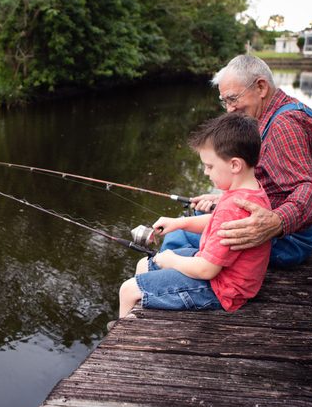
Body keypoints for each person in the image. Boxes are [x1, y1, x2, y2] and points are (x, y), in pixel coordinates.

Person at [161, 55, 312, 268]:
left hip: (290, 242)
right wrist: (227, 198)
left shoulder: (284, 125)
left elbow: (310, 188)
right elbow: (274, 182)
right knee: (203, 213)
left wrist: (275, 222)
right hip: (287, 230)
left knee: (179, 234)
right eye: (225, 101)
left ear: (261, 87)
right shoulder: (277, 112)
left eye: (233, 99)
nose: (229, 109)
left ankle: (172, 286)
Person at [116, 112, 271, 320]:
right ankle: (149, 301)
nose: (206, 172)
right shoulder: (249, 193)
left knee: (127, 291)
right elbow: (218, 224)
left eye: (209, 166)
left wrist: (171, 260)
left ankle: (122, 340)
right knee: (144, 264)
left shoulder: (233, 206)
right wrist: (180, 223)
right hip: (225, 276)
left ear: (235, 165)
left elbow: (206, 270)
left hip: (221, 290)